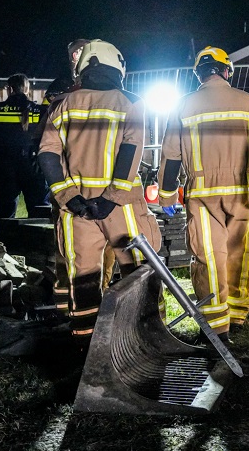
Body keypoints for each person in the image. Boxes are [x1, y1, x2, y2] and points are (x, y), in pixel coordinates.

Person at [37, 39, 161, 342]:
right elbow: (131, 150)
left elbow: (48, 153)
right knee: (138, 267)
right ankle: (143, 333)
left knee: (84, 275)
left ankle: (85, 340)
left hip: (77, 208)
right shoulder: (130, 101)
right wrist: (112, 198)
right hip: (122, 207)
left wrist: (69, 198)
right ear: (118, 67)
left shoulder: (62, 104)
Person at [158, 46, 249, 342]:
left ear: (199, 74)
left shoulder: (184, 105)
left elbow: (171, 156)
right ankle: (238, 315)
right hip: (243, 193)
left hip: (203, 195)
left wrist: (167, 195)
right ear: (227, 71)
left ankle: (215, 325)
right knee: (240, 255)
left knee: (208, 257)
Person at [0, 73, 49, 237]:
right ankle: (40, 250)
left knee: (4, 211)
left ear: (9, 89)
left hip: (4, 168)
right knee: (39, 212)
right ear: (27, 89)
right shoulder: (40, 111)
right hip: (34, 169)